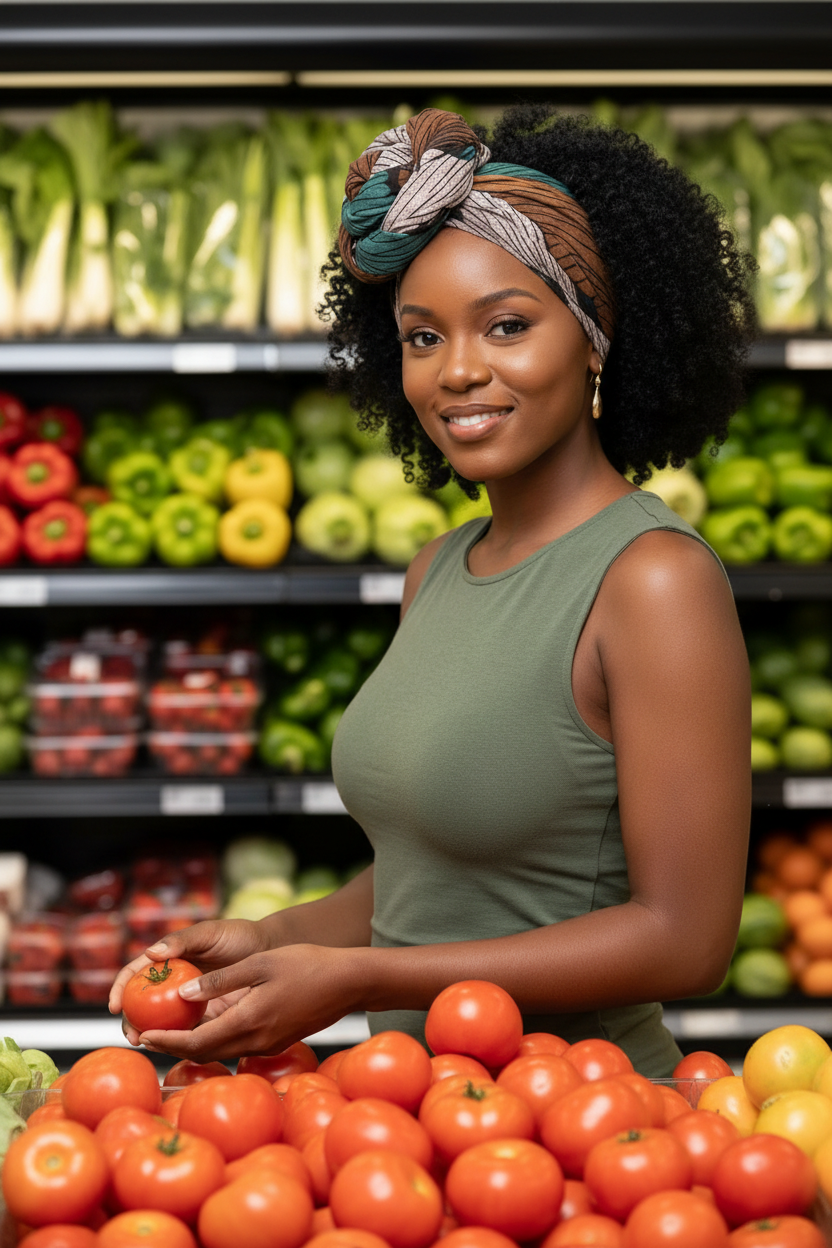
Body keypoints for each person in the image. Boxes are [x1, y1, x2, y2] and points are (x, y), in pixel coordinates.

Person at [110, 105, 754, 1075]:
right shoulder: (437, 568)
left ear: (592, 339)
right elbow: (433, 879)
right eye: (420, 338)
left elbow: (686, 939)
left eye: (506, 325)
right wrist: (277, 936)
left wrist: (368, 979)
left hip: (587, 1128)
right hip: (414, 1117)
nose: (458, 371)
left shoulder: (653, 579)